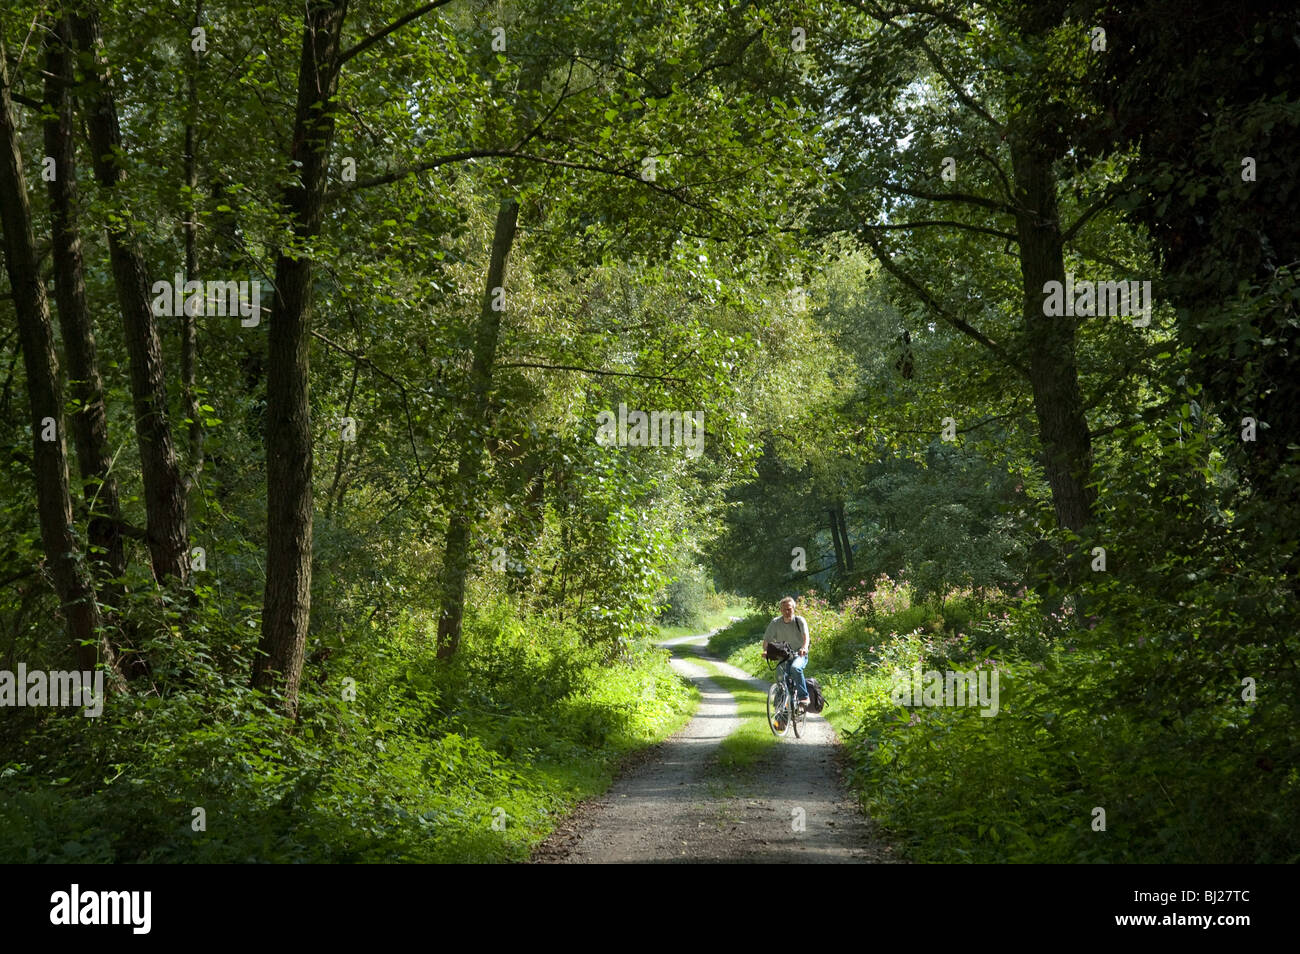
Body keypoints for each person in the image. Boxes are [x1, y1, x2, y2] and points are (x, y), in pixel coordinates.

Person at [762, 596, 811, 707]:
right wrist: (766, 651)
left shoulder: (799, 621)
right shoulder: (775, 623)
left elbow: (806, 637)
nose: (786, 611)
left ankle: (804, 697)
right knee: (780, 680)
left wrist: (804, 648)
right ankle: (780, 713)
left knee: (795, 668)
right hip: (783, 655)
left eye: (789, 609)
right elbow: (766, 641)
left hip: (799, 654)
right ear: (780, 610)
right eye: (784, 609)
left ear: (794, 609)